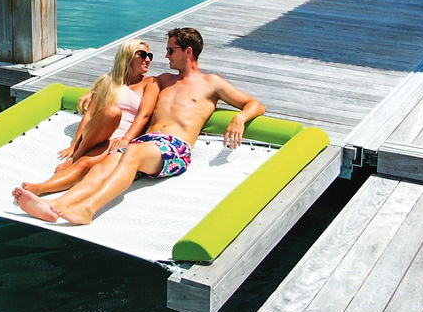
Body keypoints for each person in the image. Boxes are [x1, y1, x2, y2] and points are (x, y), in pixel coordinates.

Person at [13, 26, 264, 225]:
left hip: (175, 149)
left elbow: (254, 103)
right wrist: (93, 93)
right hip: (145, 145)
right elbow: (124, 84)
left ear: (188, 52)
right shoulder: (163, 80)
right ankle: (56, 206)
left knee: (131, 152)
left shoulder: (212, 83)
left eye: (170, 50)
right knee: (101, 167)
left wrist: (239, 118)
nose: (165, 56)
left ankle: (88, 210)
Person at [21, 40, 159, 199]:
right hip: (98, 131)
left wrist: (126, 138)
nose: (147, 59)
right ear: (127, 55)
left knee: (85, 164)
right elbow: (90, 115)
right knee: (112, 112)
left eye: (150, 55)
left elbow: (144, 115)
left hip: (117, 139)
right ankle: (76, 157)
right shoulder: (108, 81)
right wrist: (74, 146)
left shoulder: (150, 83)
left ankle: (40, 189)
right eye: (142, 54)